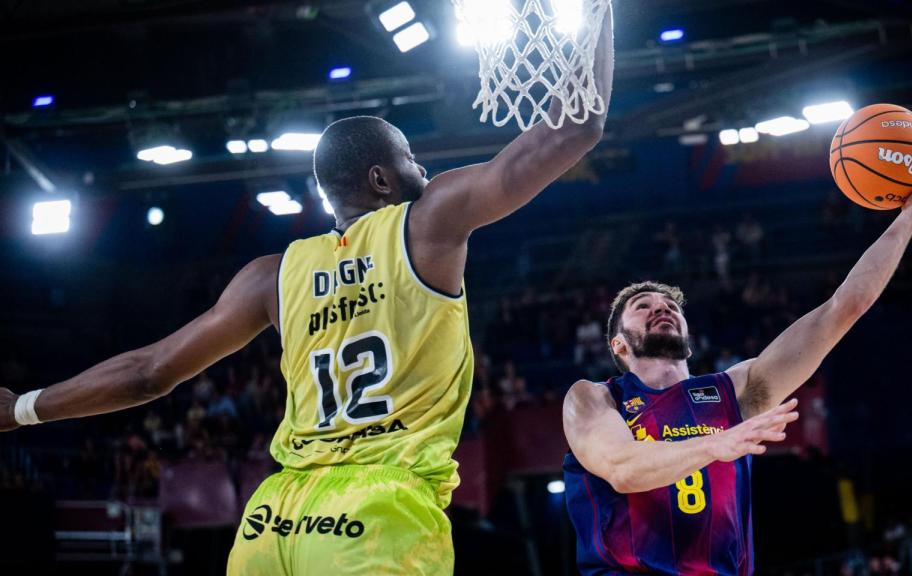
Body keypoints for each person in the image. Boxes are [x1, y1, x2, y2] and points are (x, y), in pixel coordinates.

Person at [0, 10, 614, 574]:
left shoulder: (271, 276)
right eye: (411, 159)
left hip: (275, 518)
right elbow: (575, 127)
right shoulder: (427, 220)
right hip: (378, 509)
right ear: (381, 179)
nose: (423, 171)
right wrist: (598, 14)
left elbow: (149, 373)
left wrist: (23, 408)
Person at [561, 148, 912, 575]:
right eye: (642, 305)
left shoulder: (736, 390)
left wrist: (910, 215)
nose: (662, 308)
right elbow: (622, 469)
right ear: (618, 345)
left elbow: (844, 307)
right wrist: (714, 445)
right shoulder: (595, 399)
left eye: (670, 304)